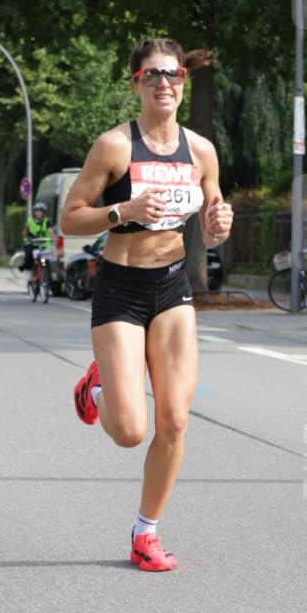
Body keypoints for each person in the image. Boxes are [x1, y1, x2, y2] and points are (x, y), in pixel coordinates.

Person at [61, 37, 233, 572]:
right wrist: (122, 211)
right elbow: (71, 218)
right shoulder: (114, 146)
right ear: (136, 83)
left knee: (175, 422)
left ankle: (145, 533)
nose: (164, 83)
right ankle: (96, 385)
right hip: (120, 287)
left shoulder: (201, 150)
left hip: (173, 287)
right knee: (131, 431)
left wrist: (219, 225)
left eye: (173, 75)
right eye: (152, 75)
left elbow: (214, 212)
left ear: (184, 81)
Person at [21, 203, 55, 283]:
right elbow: (24, 235)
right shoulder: (29, 221)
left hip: (43, 244)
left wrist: (53, 238)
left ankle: (47, 278)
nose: (38, 213)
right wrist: (26, 227)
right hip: (31, 243)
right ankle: (29, 272)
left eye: (40, 211)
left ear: (43, 213)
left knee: (47, 260)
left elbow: (51, 232)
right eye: (37, 211)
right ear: (34, 212)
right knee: (29, 256)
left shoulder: (47, 221)